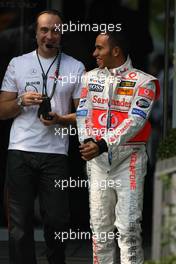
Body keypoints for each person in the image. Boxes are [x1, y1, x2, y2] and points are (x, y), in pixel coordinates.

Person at [0, 9, 85, 264]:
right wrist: (20, 101)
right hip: (21, 149)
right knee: (19, 222)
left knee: (58, 220)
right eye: (45, 30)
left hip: (56, 152)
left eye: (56, 30)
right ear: (36, 33)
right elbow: (3, 110)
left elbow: (83, 114)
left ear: (62, 34)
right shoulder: (18, 63)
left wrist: (59, 119)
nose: (50, 35)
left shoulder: (75, 66)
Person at [76, 31, 160, 264]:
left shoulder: (145, 82)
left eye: (99, 48)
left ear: (116, 51)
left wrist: (102, 144)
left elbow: (136, 121)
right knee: (100, 231)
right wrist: (87, 142)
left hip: (129, 160)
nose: (94, 53)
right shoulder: (89, 78)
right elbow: (83, 114)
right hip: (99, 163)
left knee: (128, 230)